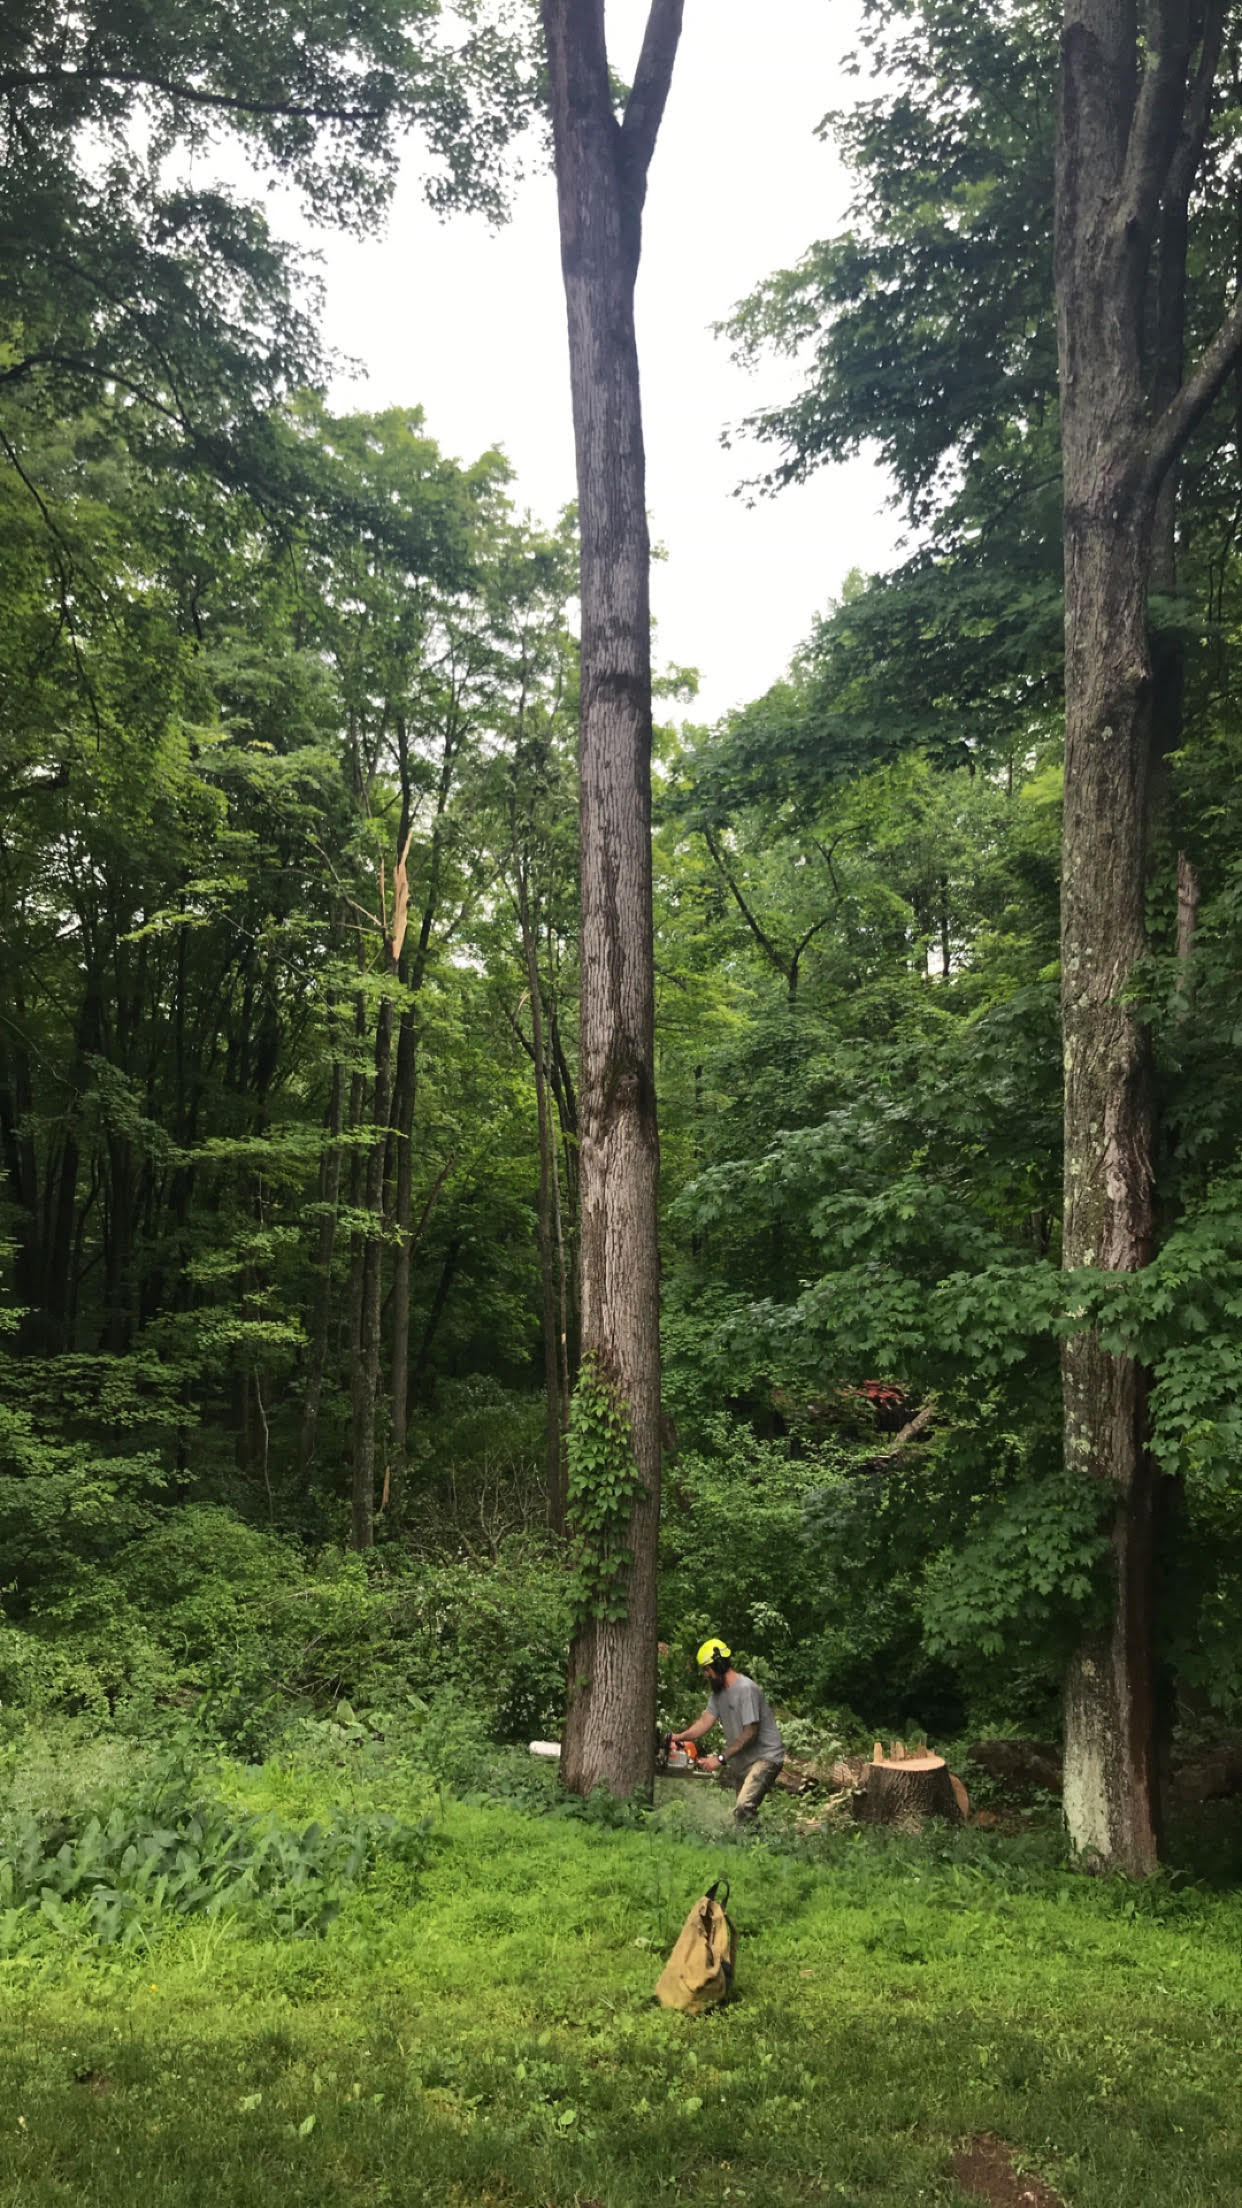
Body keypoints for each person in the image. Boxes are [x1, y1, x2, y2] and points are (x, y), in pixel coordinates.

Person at [671, 1638, 785, 1824]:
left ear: (720, 1664)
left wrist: (720, 1759)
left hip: (766, 1757)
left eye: (708, 1669)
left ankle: (759, 1846)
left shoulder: (746, 1689)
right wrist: (679, 1737)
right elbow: (703, 1722)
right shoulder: (718, 1694)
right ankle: (753, 1846)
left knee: (743, 1807)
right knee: (742, 1818)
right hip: (743, 1761)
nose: (707, 1674)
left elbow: (751, 1732)